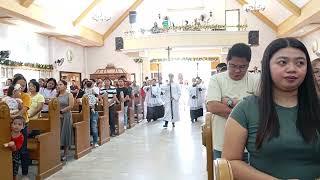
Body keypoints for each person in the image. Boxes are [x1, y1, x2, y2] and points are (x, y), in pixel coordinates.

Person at [222, 38, 320, 179]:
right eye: (282, 62)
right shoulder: (246, 109)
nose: (292, 68)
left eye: (300, 63)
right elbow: (230, 162)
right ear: (267, 66)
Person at [206, 43, 260, 161]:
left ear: (248, 64)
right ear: (227, 61)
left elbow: (260, 110)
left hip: (250, 146)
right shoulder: (217, 79)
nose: (237, 70)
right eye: (232, 65)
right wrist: (246, 112)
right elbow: (213, 106)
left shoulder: (256, 80)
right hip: (222, 143)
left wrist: (229, 101)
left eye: (242, 67)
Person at [12, 74, 31, 180]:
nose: (21, 87)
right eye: (19, 85)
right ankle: (12, 173)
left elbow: (24, 109)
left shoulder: (26, 96)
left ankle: (25, 174)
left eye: (24, 86)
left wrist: (18, 98)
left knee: (23, 149)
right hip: (11, 125)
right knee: (11, 149)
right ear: (14, 84)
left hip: (22, 125)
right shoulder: (9, 95)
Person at [57, 80, 74, 161]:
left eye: (60, 84)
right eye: (58, 85)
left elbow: (71, 105)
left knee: (66, 132)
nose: (59, 86)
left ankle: (65, 153)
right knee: (59, 133)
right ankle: (57, 153)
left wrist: (61, 111)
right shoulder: (57, 95)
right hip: (58, 116)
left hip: (66, 116)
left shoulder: (69, 94)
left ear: (65, 86)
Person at [84, 80, 99, 147]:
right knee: (90, 127)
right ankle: (93, 142)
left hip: (92, 110)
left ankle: (95, 141)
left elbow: (96, 99)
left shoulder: (86, 93)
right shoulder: (91, 92)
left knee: (93, 127)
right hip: (88, 110)